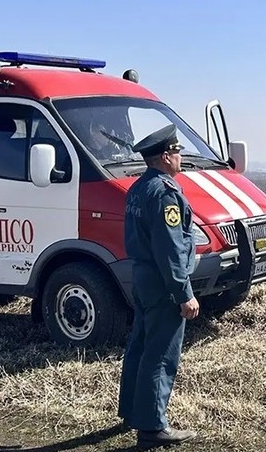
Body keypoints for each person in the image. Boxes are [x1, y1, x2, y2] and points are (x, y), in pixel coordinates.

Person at [117, 124, 200, 448]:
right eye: (178, 152)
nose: (180, 157)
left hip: (142, 277)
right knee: (161, 353)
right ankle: (152, 426)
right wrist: (184, 294)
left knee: (139, 345)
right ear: (165, 157)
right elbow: (170, 249)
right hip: (162, 282)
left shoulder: (139, 188)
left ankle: (132, 411)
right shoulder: (165, 193)